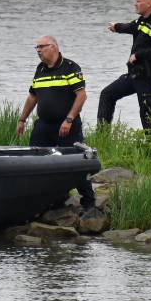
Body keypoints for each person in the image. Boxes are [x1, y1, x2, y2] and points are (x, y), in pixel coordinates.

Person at [16, 34, 97, 209]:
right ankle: (52, 198)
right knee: (35, 159)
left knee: (75, 161)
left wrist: (69, 119)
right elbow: (33, 96)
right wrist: (22, 119)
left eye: (41, 47)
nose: (38, 51)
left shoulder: (70, 67)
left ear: (53, 47)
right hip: (44, 124)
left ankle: (88, 201)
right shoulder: (40, 69)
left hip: (67, 124)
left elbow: (81, 96)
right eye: (36, 48)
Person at [97, 0, 151, 130]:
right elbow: (131, 27)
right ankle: (102, 136)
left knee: (147, 113)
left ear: (149, 4)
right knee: (107, 94)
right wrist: (116, 27)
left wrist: (138, 55)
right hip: (135, 75)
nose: (135, 4)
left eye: (138, 1)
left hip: (148, 77)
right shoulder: (142, 20)